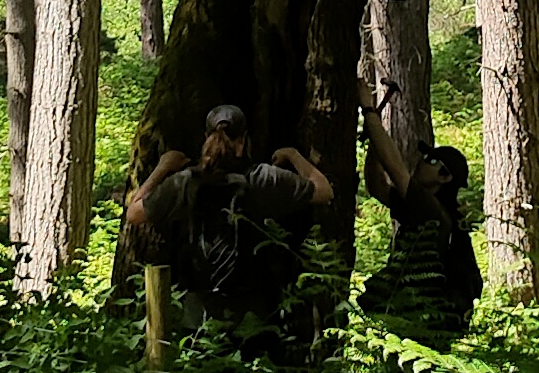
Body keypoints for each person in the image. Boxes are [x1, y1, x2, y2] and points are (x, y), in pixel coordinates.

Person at [123, 102, 331, 331]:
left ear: (205, 139)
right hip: (252, 315)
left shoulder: (186, 182)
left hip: (198, 315)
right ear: (243, 141)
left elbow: (134, 213)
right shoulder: (261, 179)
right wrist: (293, 155)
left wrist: (162, 168)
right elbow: (323, 191)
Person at [360, 137, 481, 341]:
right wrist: (373, 144)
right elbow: (377, 186)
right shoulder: (423, 207)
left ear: (444, 177)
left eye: (430, 160)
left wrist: (371, 116)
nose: (421, 161)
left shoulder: (433, 212)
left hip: (422, 323)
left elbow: (395, 170)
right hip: (417, 319)